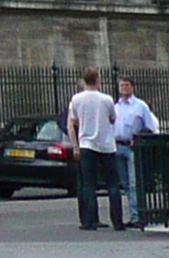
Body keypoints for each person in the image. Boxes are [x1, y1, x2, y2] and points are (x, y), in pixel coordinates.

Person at [67, 68, 121, 231]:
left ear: (84, 80)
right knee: (113, 184)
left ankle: (89, 221)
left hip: (86, 145)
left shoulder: (76, 99)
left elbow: (72, 123)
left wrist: (75, 145)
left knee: (89, 185)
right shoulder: (107, 99)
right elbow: (113, 119)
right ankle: (117, 222)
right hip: (106, 145)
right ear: (98, 80)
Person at [111, 77, 162, 226]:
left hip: (133, 147)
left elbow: (151, 127)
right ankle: (133, 214)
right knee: (125, 184)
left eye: (127, 85)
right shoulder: (115, 107)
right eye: (122, 85)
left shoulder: (141, 106)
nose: (124, 88)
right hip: (118, 146)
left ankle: (137, 216)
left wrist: (138, 137)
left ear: (132, 87)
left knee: (134, 183)